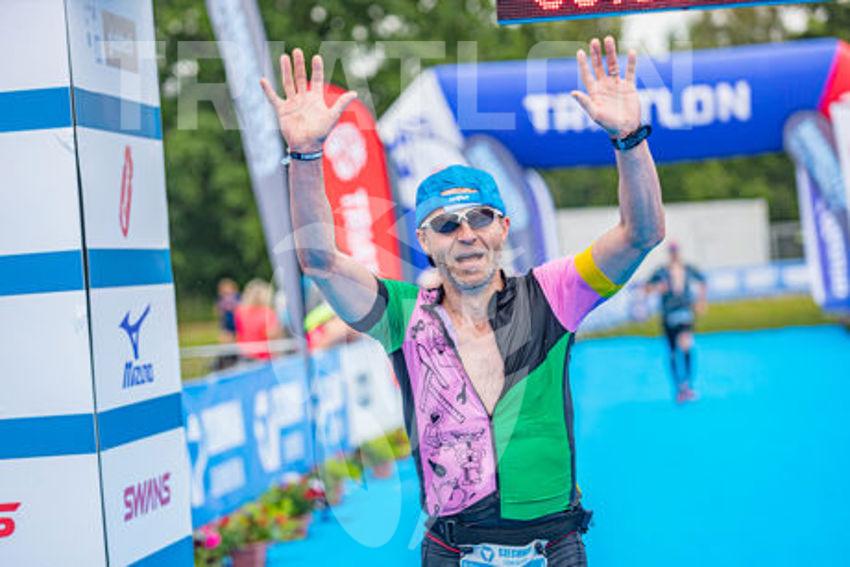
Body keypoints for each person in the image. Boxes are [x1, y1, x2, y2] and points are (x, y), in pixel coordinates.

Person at [261, 36, 665, 567]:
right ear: (424, 241)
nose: (466, 234)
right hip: (452, 549)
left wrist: (630, 139)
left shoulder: (552, 294)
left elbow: (641, 234)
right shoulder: (403, 315)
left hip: (553, 546)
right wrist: (306, 155)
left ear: (503, 227)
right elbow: (320, 261)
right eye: (447, 225)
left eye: (479, 218)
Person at [644, 243, 707, 404]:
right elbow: (647, 288)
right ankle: (679, 387)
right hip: (668, 315)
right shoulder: (661, 271)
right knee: (672, 352)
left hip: (685, 312)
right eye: (672, 252)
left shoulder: (687, 269)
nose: (674, 254)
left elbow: (703, 281)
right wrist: (658, 288)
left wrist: (701, 301)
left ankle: (688, 384)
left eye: (676, 252)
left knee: (686, 346)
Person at [234, 279, 283, 361]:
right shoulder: (268, 313)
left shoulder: (240, 312)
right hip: (265, 357)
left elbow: (239, 334)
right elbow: (272, 335)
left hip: (245, 354)